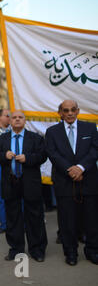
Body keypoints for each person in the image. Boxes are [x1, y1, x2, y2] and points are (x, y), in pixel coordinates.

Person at [45, 100, 98, 266]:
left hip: (89, 180)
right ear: (60, 112)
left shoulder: (90, 128)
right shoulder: (52, 131)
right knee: (67, 220)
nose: (69, 113)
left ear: (78, 111)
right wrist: (71, 169)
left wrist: (81, 168)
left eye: (73, 110)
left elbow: (95, 149)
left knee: (92, 219)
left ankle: (92, 251)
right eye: (66, 110)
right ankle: (71, 253)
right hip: (64, 182)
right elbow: (52, 154)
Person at [0, 111, 48, 262]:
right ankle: (16, 250)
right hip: (10, 183)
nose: (17, 119)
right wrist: (4, 155)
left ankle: (37, 249)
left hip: (30, 182)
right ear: (9, 121)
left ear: (25, 121)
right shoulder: (1, 139)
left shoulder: (35, 138)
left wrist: (28, 158)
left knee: (35, 216)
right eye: (14, 117)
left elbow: (43, 156)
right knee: (13, 218)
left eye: (20, 117)